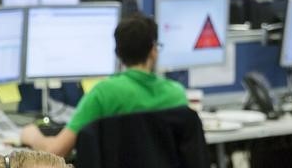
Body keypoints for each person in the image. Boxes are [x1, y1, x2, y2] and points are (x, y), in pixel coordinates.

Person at [20, 14, 187, 157]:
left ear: (117, 53)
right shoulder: (176, 94)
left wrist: (32, 135)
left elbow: (56, 151)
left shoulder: (103, 94)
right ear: (153, 50)